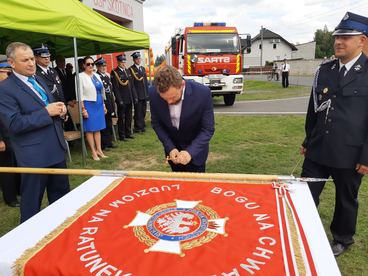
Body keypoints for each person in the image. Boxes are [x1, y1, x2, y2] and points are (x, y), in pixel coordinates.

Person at [301, 12, 368, 257]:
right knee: (305, 193)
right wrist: (308, 140)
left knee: (345, 199)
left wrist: (366, 156)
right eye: (337, 36)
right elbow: (313, 109)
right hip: (318, 149)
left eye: (346, 37)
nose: (339, 41)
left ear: (361, 40)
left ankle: (342, 238)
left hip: (350, 152)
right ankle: (303, 229)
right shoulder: (325, 70)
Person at [0, 42, 70, 222]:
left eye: (32, 58)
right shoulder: (5, 89)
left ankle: (63, 234)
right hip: (34, 157)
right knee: (31, 205)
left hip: (56, 149)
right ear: (12, 63)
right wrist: (47, 112)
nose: (31, 63)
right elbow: (14, 124)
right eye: (25, 60)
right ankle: (28, 243)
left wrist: (60, 110)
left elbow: (48, 105)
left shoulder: (38, 79)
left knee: (62, 200)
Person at [149, 65, 215, 172]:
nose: (169, 102)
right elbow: (157, 123)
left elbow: (207, 129)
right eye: (164, 99)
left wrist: (190, 152)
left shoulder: (203, 94)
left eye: (173, 97)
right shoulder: (153, 94)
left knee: (197, 187)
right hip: (173, 153)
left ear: (182, 85)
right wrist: (170, 147)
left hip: (196, 153)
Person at [79, 56, 107, 161]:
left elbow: (101, 91)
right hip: (88, 104)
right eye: (88, 64)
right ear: (84, 65)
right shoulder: (80, 76)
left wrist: (103, 105)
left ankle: (99, 150)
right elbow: (80, 94)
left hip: (99, 103)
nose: (90, 66)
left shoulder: (96, 75)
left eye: (92, 64)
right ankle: (93, 152)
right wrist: (83, 109)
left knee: (98, 128)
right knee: (90, 129)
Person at [0, 61, 19, 208]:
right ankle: (10, 197)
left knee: (17, 163)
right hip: (3, 136)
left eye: (10, 73)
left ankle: (18, 190)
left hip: (14, 133)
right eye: (5, 73)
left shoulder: (9, 90)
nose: (8, 76)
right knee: (6, 167)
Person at [111, 54, 137, 141]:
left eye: (124, 61)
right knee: (121, 118)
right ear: (118, 62)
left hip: (129, 98)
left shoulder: (128, 71)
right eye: (122, 62)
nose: (123, 63)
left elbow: (132, 86)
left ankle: (128, 133)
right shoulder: (115, 72)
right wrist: (119, 100)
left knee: (129, 117)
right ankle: (122, 135)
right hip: (122, 99)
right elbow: (115, 88)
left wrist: (134, 97)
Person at [95, 57, 116, 149]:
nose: (103, 68)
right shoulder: (97, 77)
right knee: (103, 124)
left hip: (109, 102)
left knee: (109, 122)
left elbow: (110, 91)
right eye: (101, 66)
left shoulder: (106, 76)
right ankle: (104, 144)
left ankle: (109, 141)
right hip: (103, 103)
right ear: (97, 67)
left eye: (104, 66)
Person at [129, 52, 149, 133]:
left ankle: (142, 125)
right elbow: (132, 85)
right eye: (137, 59)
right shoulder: (131, 70)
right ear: (134, 60)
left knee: (143, 111)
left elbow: (145, 82)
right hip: (137, 94)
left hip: (143, 94)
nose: (138, 60)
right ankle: (137, 127)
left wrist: (147, 93)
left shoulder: (142, 69)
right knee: (138, 112)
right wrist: (135, 96)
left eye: (139, 58)